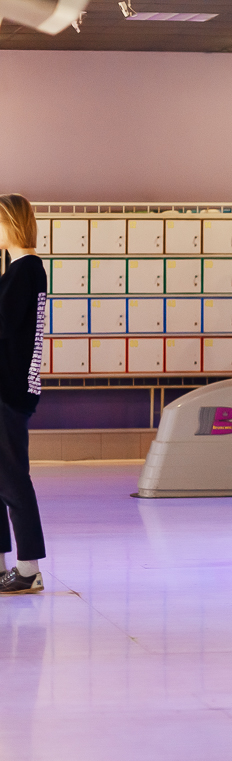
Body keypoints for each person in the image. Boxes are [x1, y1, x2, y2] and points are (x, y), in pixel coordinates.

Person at [0, 194, 48, 594]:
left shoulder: (23, 271)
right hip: (12, 387)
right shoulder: (24, 269)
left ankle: (28, 568)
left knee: (13, 479)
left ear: (12, 224)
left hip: (7, 390)